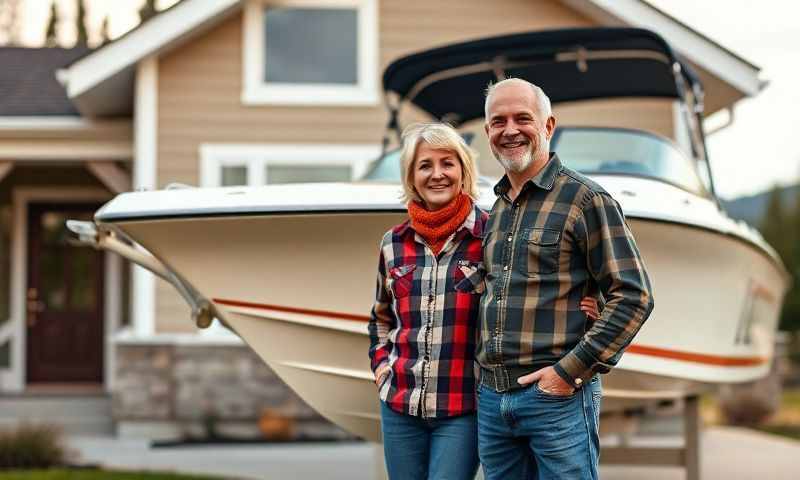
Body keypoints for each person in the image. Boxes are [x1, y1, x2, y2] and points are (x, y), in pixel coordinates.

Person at [367, 122, 601, 480]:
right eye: (425, 165)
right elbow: (381, 317)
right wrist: (382, 367)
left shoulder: (492, 234)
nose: (437, 174)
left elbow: (532, 289)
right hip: (400, 403)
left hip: (463, 407)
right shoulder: (392, 243)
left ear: (463, 171)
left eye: (448, 163)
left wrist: (587, 302)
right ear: (411, 177)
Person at [476, 78, 654, 480]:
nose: (510, 130)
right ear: (487, 132)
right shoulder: (497, 208)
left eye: (523, 118)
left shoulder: (586, 200)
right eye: (498, 121)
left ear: (548, 126)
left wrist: (568, 372)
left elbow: (634, 296)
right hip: (492, 397)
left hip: (557, 397)